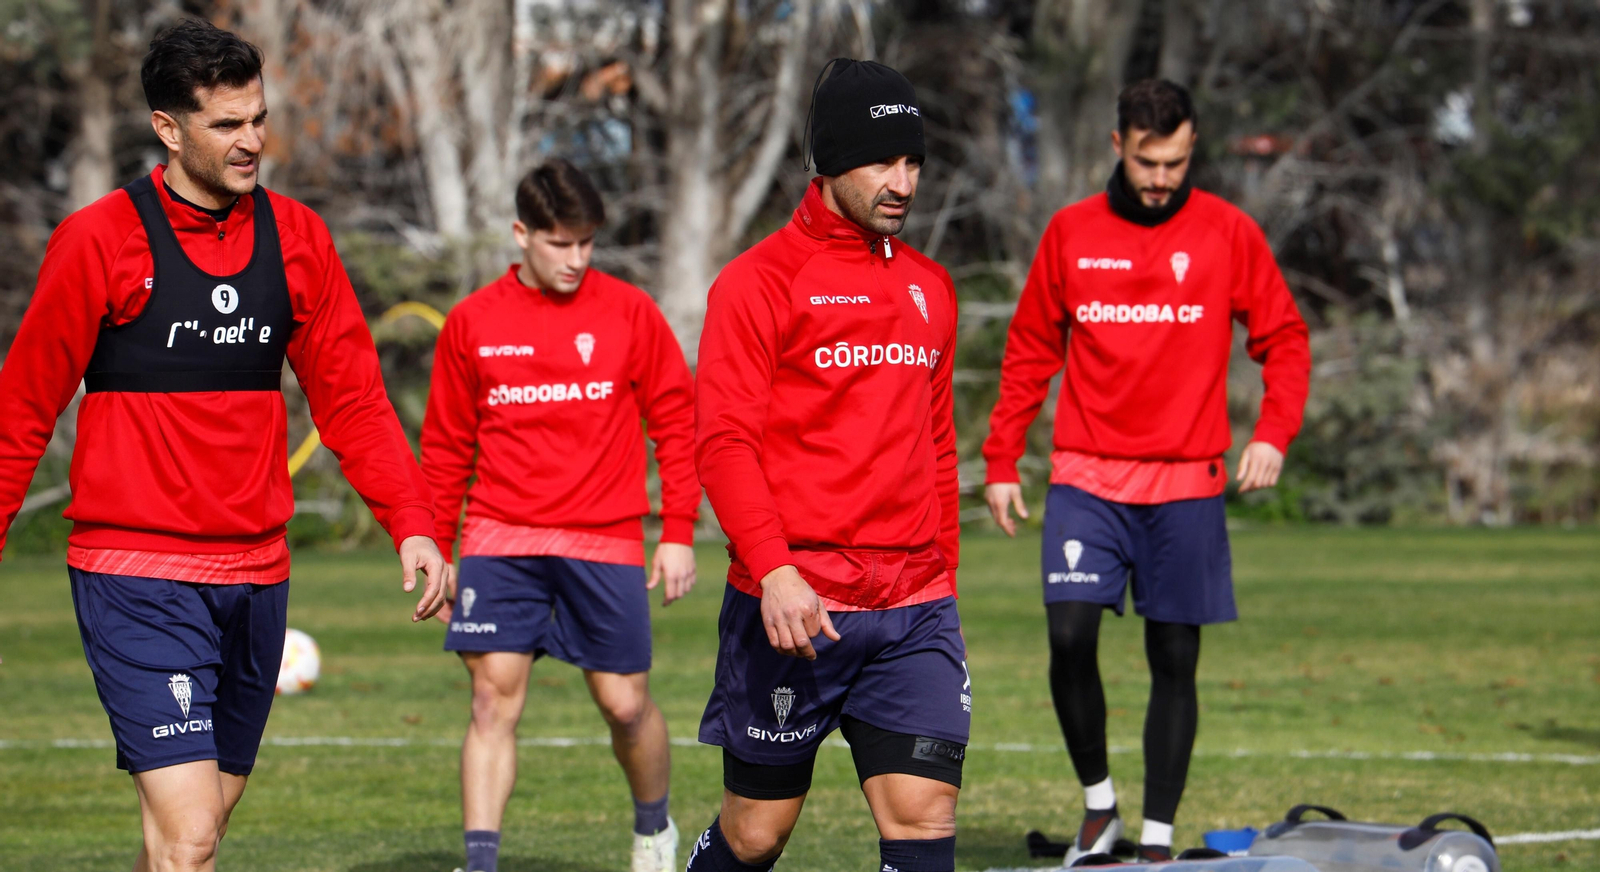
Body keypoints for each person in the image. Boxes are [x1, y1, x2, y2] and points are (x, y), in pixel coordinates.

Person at [0, 19, 449, 872]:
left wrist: (414, 522)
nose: (251, 142)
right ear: (168, 128)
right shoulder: (101, 240)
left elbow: (352, 401)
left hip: (257, 581)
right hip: (136, 576)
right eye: (226, 125)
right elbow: (20, 410)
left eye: (258, 119)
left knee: (189, 834)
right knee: (192, 835)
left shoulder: (299, 241)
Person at [982, 79, 1311, 863]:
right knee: (1069, 638)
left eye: (1175, 161)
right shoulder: (1070, 233)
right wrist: (1001, 458)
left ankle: (1157, 840)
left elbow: (1285, 339)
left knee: (1174, 659)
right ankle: (1100, 811)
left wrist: (1273, 431)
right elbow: (1030, 352)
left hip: (1185, 487)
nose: (1161, 178)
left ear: (1191, 148)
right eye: (1146, 161)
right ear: (1117, 147)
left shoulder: (1228, 233)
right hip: (1086, 480)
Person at [687, 59, 967, 872]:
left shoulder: (930, 288)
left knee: (922, 817)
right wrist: (772, 569)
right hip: (796, 604)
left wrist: (942, 572)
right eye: (882, 160)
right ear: (832, 159)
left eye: (913, 161)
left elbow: (937, 442)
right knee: (755, 834)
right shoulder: (758, 284)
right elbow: (724, 441)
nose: (902, 181)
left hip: (914, 607)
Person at [420, 159, 700, 872]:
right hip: (498, 538)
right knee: (491, 702)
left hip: (604, 540)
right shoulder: (473, 322)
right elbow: (447, 445)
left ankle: (653, 832)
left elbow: (677, 423)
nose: (577, 259)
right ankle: (479, 864)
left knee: (625, 706)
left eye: (586, 243)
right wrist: (432, 541)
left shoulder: (631, 312)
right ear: (521, 234)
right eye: (559, 243)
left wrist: (676, 533)